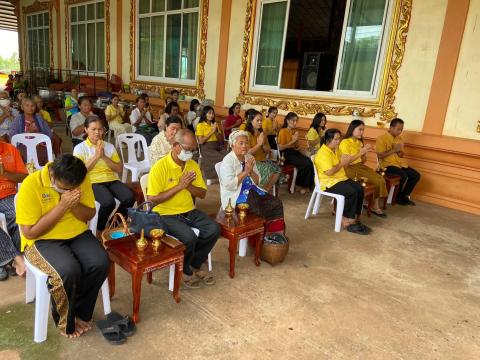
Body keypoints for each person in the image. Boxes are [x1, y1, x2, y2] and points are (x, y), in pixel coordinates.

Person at [17, 154, 110, 338]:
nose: (69, 191)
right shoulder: (31, 184)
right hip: (41, 240)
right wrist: (63, 206)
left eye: (73, 188)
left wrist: (74, 206)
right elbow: (30, 233)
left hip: (77, 232)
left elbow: (89, 214)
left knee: (100, 262)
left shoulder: (80, 178)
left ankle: (81, 312)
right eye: (65, 188)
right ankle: (65, 322)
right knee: (68, 271)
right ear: (52, 176)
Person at [147, 129, 219, 288]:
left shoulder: (192, 165)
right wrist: (179, 186)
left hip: (188, 211)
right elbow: (151, 199)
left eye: (193, 150)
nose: (191, 153)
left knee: (213, 229)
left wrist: (188, 186)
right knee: (189, 238)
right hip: (165, 214)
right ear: (175, 146)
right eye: (188, 149)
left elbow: (202, 194)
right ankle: (185, 270)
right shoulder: (160, 167)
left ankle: (194, 263)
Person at [73, 116, 135, 232]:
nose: (97, 132)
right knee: (108, 202)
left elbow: (118, 169)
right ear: (86, 130)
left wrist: (104, 156)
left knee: (129, 197)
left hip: (111, 180)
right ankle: (99, 228)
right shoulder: (79, 148)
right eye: (93, 129)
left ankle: (114, 224)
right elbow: (79, 172)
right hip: (92, 182)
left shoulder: (109, 146)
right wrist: (96, 156)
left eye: (100, 129)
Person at [314, 129, 370, 235]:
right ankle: (347, 220)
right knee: (351, 192)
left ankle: (356, 217)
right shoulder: (323, 153)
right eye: (336, 139)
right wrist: (342, 163)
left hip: (340, 178)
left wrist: (361, 153)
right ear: (327, 140)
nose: (338, 141)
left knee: (359, 188)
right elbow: (330, 172)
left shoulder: (336, 149)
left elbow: (345, 163)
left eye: (339, 139)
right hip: (328, 182)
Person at [219, 130, 283, 220]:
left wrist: (251, 172)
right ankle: (260, 231)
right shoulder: (228, 161)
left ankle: (275, 232)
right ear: (232, 145)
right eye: (241, 143)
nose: (244, 146)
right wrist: (245, 172)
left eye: (246, 143)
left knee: (276, 202)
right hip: (236, 194)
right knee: (256, 205)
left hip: (253, 190)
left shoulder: (249, 157)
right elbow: (229, 185)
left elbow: (257, 182)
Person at [339, 120, 387, 217]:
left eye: (363, 130)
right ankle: (375, 206)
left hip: (360, 166)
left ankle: (371, 203)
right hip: (348, 168)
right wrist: (361, 152)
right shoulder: (345, 142)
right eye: (360, 129)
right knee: (377, 180)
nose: (362, 132)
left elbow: (363, 161)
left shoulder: (359, 142)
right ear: (352, 129)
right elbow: (345, 163)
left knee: (380, 178)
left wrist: (365, 152)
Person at [0, 137, 28, 281]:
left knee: (19, 215)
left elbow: (24, 177)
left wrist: (5, 173)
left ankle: (15, 257)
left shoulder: (10, 149)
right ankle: (16, 259)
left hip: (7, 195)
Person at [376, 118, 421, 205]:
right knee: (403, 175)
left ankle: (405, 196)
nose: (400, 132)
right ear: (391, 127)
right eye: (398, 129)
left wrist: (399, 151)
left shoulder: (399, 139)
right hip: (387, 165)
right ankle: (397, 198)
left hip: (400, 164)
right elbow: (380, 155)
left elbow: (401, 155)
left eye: (401, 130)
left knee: (416, 175)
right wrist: (394, 150)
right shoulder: (381, 138)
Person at [244, 109, 283, 192]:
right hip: (252, 161)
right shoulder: (247, 134)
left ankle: (266, 190)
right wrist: (258, 145)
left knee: (278, 169)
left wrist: (262, 144)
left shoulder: (262, 133)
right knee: (269, 170)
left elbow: (268, 150)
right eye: (257, 120)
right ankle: (260, 190)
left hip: (263, 160)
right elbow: (247, 153)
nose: (260, 122)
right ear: (251, 121)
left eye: (261, 120)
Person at [277, 112, 314, 194]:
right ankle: (301, 185)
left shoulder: (293, 131)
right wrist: (293, 140)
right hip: (285, 154)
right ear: (287, 121)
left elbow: (296, 147)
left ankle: (307, 186)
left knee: (309, 161)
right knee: (305, 163)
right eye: (293, 121)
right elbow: (281, 147)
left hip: (294, 152)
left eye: (296, 121)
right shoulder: (283, 131)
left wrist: (297, 141)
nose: (295, 123)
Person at [10, 97, 52, 166]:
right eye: (27, 105)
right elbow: (12, 136)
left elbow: (48, 133)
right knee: (25, 154)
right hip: (23, 145)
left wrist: (38, 136)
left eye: (32, 106)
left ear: (35, 107)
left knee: (44, 153)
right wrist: (28, 132)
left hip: (39, 144)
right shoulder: (18, 119)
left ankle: (40, 172)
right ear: (22, 107)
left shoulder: (39, 118)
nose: (30, 108)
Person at [195, 106, 227, 180]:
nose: (211, 115)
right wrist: (211, 131)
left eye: (212, 113)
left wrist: (215, 131)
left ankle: (225, 175)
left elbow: (220, 140)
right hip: (206, 147)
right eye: (209, 113)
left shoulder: (214, 124)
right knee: (222, 157)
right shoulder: (200, 125)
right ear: (204, 114)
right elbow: (201, 141)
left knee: (229, 155)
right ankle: (215, 176)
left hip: (217, 146)